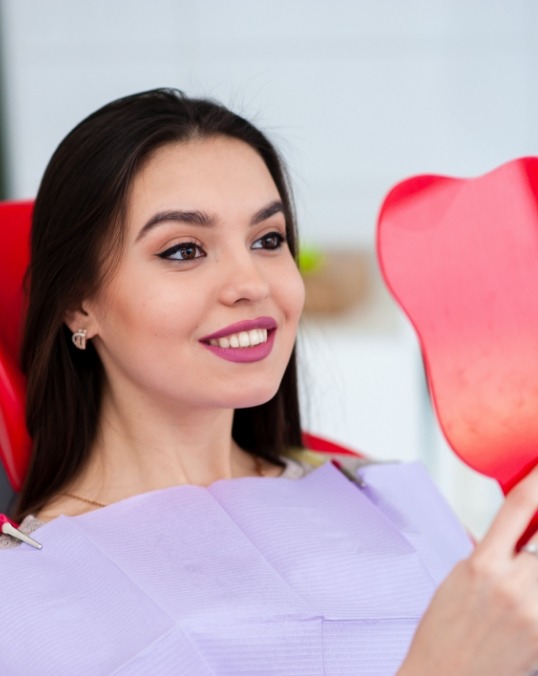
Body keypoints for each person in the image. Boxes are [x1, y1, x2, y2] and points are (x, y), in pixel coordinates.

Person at [0, 88, 537, 675]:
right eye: (184, 250)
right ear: (80, 305)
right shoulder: (28, 594)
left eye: (267, 240)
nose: (250, 281)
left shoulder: (388, 496)